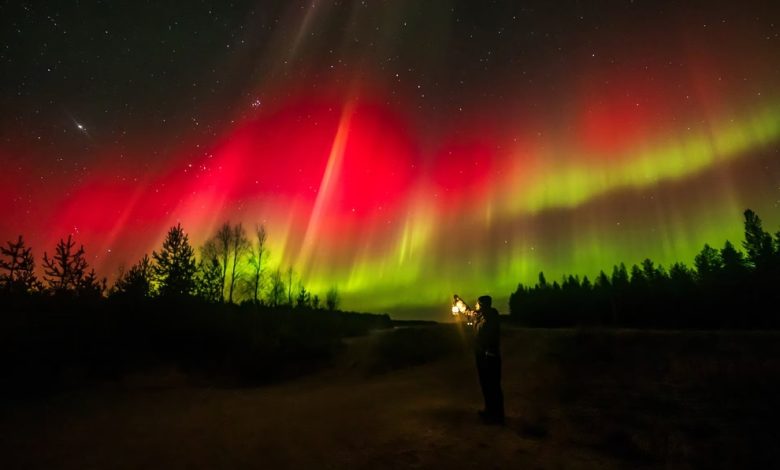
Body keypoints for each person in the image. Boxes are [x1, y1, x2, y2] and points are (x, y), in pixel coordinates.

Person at [472, 295, 504, 425]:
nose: (476, 307)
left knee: (493, 386)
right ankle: (490, 411)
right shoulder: (486, 316)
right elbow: (471, 315)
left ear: (482, 305)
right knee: (486, 385)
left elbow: (483, 336)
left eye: (477, 305)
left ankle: (497, 416)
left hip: (489, 357)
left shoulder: (488, 320)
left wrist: (475, 319)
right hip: (484, 356)